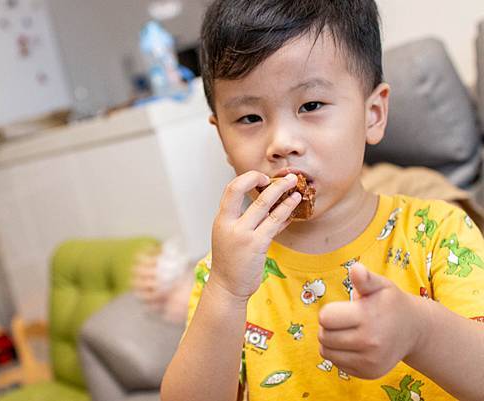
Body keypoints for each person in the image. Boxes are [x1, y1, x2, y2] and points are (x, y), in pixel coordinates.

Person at [160, 1, 484, 400]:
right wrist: (226, 292)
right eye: (249, 118)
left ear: (373, 114)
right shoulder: (224, 273)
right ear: (221, 138)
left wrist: (420, 330)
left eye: (311, 106)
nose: (282, 144)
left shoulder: (437, 233)